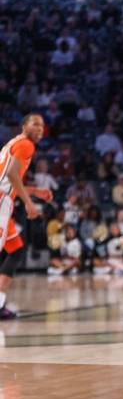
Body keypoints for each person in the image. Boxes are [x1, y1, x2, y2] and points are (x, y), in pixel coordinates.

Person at [0, 114, 52, 320]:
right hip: (1, 202)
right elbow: (12, 175)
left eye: (43, 125)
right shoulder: (26, 145)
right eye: (35, 124)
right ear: (24, 126)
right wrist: (29, 203)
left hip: (5, 199)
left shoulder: (14, 143)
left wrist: (35, 192)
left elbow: (8, 178)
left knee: (16, 249)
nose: (40, 128)